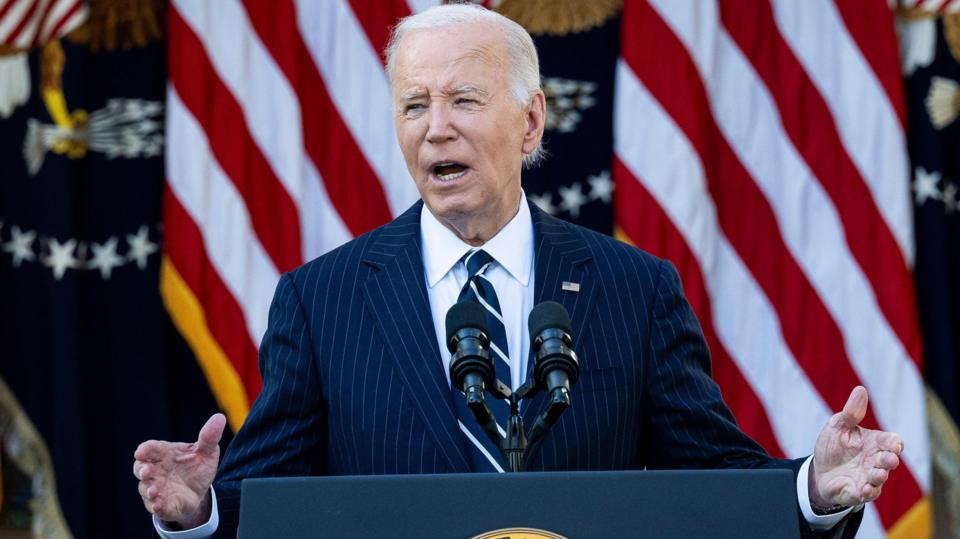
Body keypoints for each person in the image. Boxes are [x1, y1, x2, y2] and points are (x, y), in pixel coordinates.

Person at [133, 4, 904, 537]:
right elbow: (268, 505)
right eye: (413, 105)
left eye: (464, 99)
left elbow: (710, 476)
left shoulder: (633, 288)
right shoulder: (322, 298)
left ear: (529, 119)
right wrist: (198, 510)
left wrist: (813, 490)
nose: (436, 128)